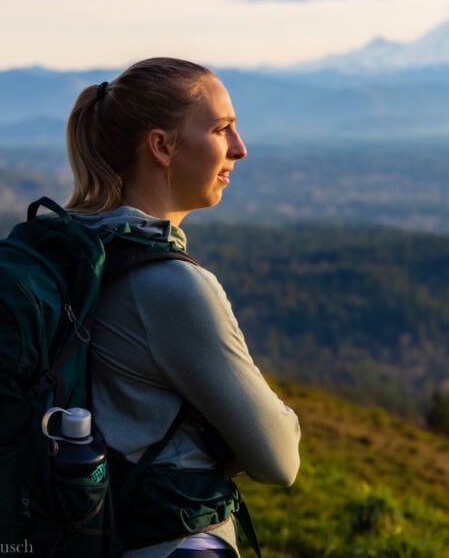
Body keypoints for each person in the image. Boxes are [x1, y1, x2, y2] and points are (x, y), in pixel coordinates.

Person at [64, 57, 301, 557]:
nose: (240, 148)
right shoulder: (172, 286)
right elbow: (280, 458)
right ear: (162, 146)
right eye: (222, 129)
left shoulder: (73, 251)